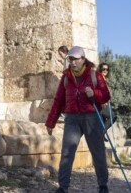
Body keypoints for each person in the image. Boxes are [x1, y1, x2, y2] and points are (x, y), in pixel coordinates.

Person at [45, 46, 110, 193]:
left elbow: (106, 95)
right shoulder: (66, 77)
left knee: (98, 152)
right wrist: (51, 122)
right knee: (67, 153)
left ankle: (103, 186)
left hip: (91, 118)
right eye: (70, 59)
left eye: (76, 59)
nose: (73, 62)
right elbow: (58, 100)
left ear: (83, 59)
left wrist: (94, 93)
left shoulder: (94, 74)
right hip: (72, 119)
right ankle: (63, 187)